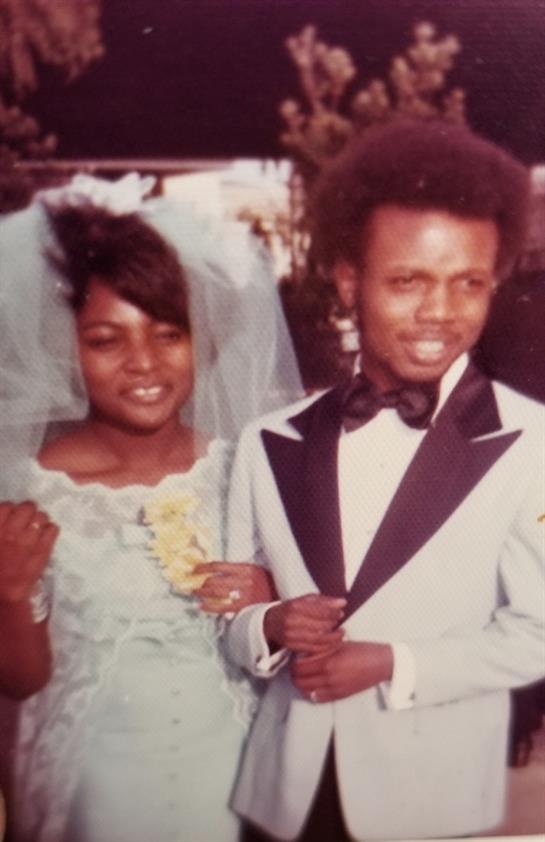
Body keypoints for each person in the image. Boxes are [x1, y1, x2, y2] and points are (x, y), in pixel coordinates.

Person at [223, 120, 545, 841]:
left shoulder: (531, 443)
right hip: (283, 798)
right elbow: (230, 615)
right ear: (348, 282)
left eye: (467, 283)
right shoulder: (267, 441)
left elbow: (537, 631)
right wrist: (267, 625)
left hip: (428, 799)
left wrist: (392, 663)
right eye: (407, 281)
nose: (439, 312)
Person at [0, 173, 302, 842]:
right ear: (67, 350)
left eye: (168, 334)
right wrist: (12, 594)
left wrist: (267, 600)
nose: (143, 363)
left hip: (228, 767)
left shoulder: (240, 466)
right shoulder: (29, 489)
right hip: (98, 784)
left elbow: (294, 620)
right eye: (106, 340)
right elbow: (22, 680)